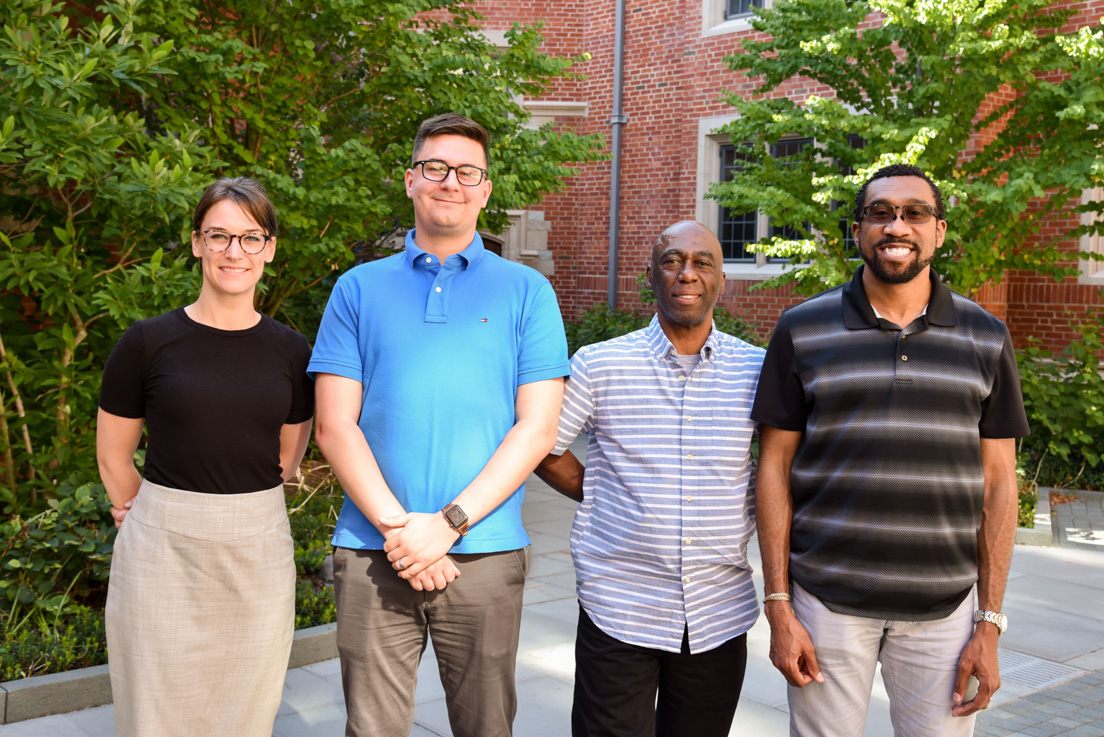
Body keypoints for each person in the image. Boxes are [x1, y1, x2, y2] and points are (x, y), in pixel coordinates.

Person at [309, 112, 568, 737]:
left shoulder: (528, 291)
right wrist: (405, 533)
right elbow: (334, 425)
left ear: (484, 188)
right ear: (410, 180)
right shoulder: (357, 289)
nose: (450, 181)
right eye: (435, 167)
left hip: (484, 551)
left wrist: (448, 524)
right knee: (371, 729)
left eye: (466, 172)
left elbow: (536, 429)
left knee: (485, 726)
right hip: (374, 551)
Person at [752, 164, 1029, 737]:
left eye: (914, 213)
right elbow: (773, 468)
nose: (896, 225)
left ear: (940, 231)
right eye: (879, 213)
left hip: (944, 612)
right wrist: (778, 605)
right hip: (825, 602)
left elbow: (1000, 485)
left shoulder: (986, 336)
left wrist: (990, 621)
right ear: (857, 232)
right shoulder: (802, 329)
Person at [97, 177, 315, 737]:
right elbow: (114, 457)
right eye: (218, 236)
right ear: (196, 243)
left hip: (258, 550)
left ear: (269, 247)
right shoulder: (145, 343)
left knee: (246, 708)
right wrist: (145, 511)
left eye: (249, 237)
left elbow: (288, 458)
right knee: (154, 710)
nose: (233, 252)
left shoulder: (293, 352)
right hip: (161, 554)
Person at [535, 221, 765, 737]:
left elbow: (777, 467)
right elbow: (543, 448)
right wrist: (599, 492)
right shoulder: (600, 363)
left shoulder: (757, 369)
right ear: (651, 276)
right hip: (619, 604)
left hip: (718, 610)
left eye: (703, 262)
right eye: (672, 261)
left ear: (721, 280)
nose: (688, 273)